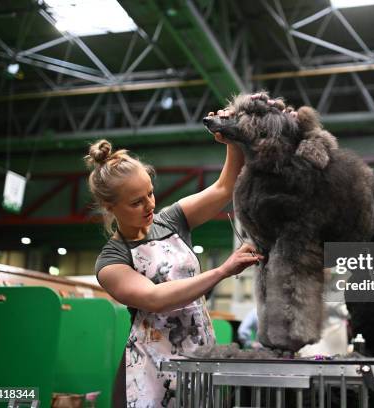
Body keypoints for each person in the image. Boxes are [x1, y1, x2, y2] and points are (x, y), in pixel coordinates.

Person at [86, 108, 263, 408]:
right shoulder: (111, 260)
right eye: (136, 202)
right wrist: (221, 271)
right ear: (109, 206)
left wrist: (231, 139)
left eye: (151, 194)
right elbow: (156, 298)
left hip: (198, 362)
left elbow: (224, 187)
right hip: (151, 374)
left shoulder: (171, 220)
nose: (149, 205)